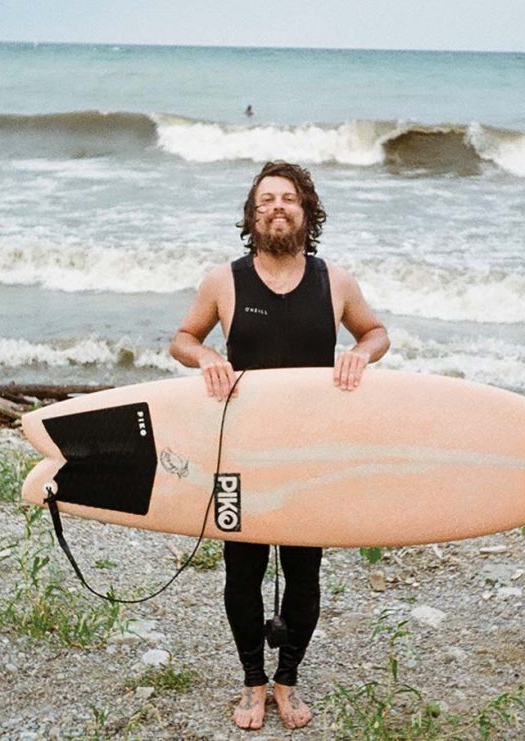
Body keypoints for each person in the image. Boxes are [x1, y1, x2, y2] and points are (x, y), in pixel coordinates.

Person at [169, 161, 389, 730]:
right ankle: (251, 683)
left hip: (309, 453)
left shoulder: (333, 281)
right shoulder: (225, 280)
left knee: (303, 571)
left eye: (288, 198)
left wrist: (360, 354)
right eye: (265, 199)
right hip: (236, 450)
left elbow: (377, 332)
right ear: (252, 215)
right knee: (240, 572)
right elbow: (182, 339)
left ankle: (286, 681)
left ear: (306, 211)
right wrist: (209, 357)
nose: (276, 207)